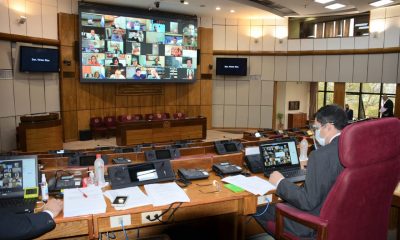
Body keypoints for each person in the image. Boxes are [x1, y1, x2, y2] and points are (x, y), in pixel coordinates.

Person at [257, 104, 346, 238]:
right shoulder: (351, 149)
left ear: (328, 126)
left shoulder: (320, 155)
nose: (315, 132)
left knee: (259, 207)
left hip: (311, 224)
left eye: (316, 128)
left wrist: (280, 182)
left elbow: (307, 201)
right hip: (340, 219)